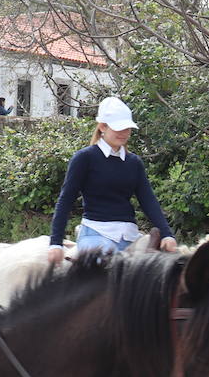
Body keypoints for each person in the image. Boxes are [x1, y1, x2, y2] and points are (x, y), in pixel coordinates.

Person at [47, 96, 177, 265]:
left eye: (127, 128)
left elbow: (149, 201)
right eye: (119, 128)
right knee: (105, 270)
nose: (124, 133)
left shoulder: (134, 163)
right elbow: (65, 200)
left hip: (130, 236)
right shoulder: (84, 158)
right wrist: (55, 243)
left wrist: (167, 234)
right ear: (102, 127)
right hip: (96, 235)